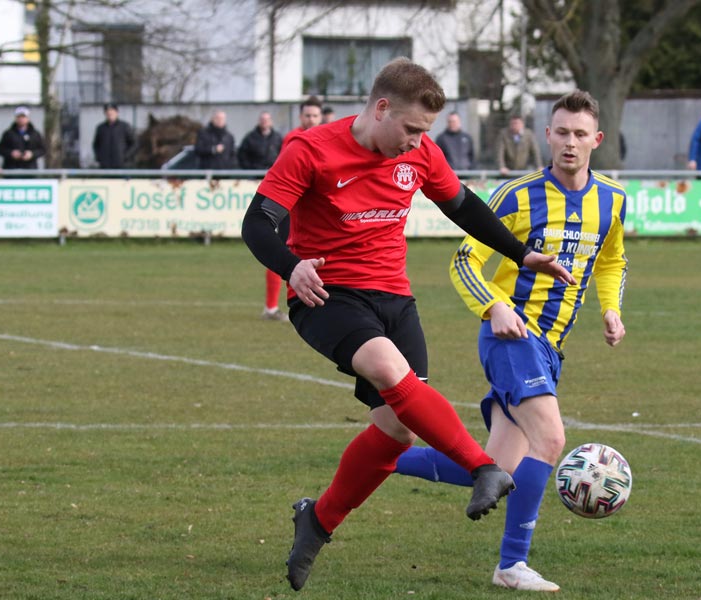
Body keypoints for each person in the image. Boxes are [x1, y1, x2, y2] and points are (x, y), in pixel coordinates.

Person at [242, 57, 576, 591]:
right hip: (327, 292)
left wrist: (520, 253)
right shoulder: (311, 149)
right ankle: (482, 467)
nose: (418, 141)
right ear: (381, 108)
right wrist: (291, 265)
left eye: (426, 132)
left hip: (395, 299)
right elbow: (257, 223)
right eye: (413, 129)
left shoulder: (419, 152)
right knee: (384, 366)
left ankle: (317, 521)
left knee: (396, 431)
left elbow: (462, 205)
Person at [395, 90, 628, 593]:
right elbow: (465, 260)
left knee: (497, 467)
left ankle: (380, 458)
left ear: (597, 140)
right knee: (551, 439)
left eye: (580, 134)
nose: (570, 143)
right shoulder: (517, 195)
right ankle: (512, 564)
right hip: (512, 335)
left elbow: (611, 260)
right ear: (547, 135)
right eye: (561, 132)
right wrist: (493, 306)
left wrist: (611, 308)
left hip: (551, 348)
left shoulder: (613, 200)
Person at [260, 96, 322, 322]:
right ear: (300, 116)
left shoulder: (324, 137)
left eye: (315, 115)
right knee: (284, 252)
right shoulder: (295, 138)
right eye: (307, 115)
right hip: (293, 206)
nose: (311, 119)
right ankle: (271, 307)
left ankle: (316, 300)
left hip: (314, 208)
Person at [92, 102, 136, 169]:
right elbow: (96, 145)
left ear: (117, 112)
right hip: (105, 167)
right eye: (107, 112)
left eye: (112, 112)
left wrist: (126, 156)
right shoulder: (100, 128)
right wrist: (99, 157)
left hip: (122, 167)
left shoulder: (124, 127)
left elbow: (134, 143)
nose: (110, 114)